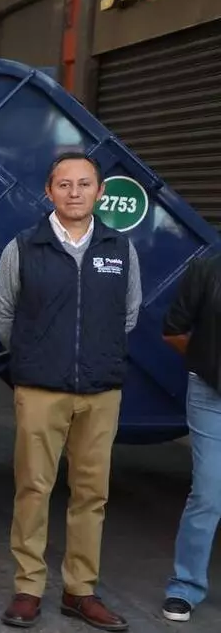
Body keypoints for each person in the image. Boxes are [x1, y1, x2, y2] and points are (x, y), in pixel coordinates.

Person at [0, 152, 140, 631]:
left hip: (100, 392)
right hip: (39, 390)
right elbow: (1, 313)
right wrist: (38, 354)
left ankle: (80, 590)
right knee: (34, 488)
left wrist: (92, 354)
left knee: (91, 495)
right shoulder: (25, 246)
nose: (74, 193)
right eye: (64, 184)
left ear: (99, 192)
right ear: (49, 191)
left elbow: (128, 314)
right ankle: (28, 587)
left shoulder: (120, 247)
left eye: (84, 184)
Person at [161, 249, 221, 624]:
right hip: (211, 394)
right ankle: (185, 586)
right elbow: (173, 328)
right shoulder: (209, 264)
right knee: (208, 493)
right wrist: (207, 363)